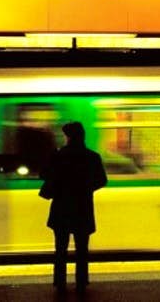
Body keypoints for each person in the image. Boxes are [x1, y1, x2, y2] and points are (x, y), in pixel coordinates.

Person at [39, 121, 108, 293]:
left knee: (60, 249)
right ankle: (81, 282)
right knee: (82, 249)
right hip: (82, 207)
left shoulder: (58, 156)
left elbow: (43, 174)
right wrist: (85, 188)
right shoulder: (92, 156)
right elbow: (102, 180)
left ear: (68, 137)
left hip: (61, 208)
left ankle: (60, 282)